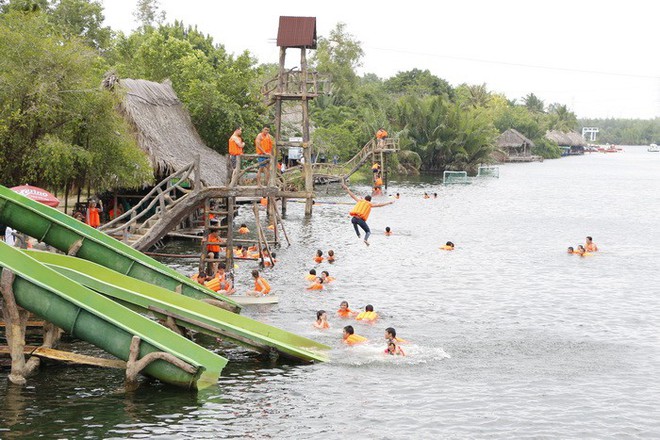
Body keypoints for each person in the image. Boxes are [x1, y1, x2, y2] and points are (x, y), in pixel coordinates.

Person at [343, 182, 395, 246]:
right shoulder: (370, 204)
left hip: (353, 219)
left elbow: (352, 195)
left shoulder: (359, 201)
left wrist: (347, 189)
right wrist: (389, 203)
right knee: (368, 232)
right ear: (370, 200)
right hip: (360, 220)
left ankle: (358, 234)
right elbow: (379, 205)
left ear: (365, 199)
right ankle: (365, 239)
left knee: (354, 222)